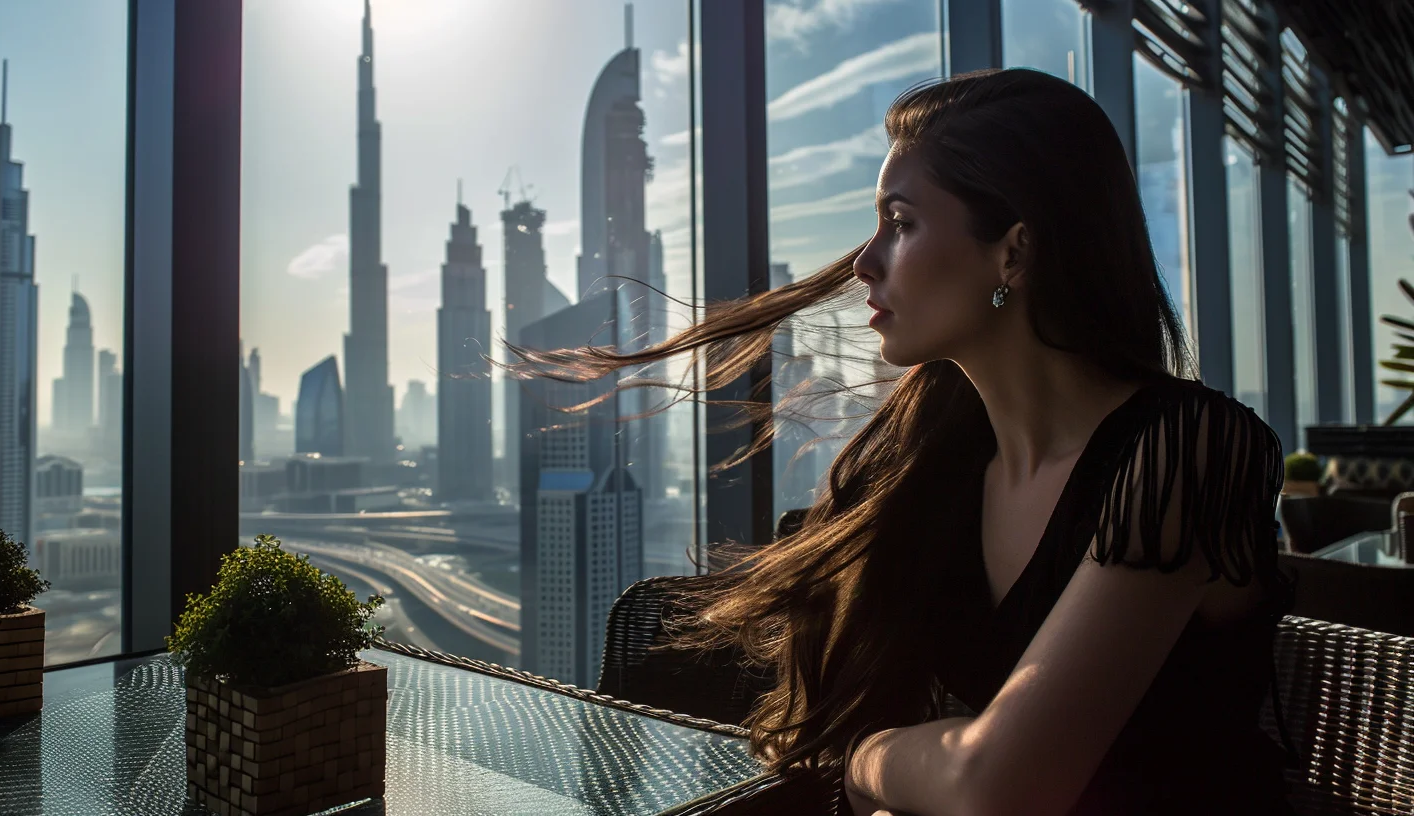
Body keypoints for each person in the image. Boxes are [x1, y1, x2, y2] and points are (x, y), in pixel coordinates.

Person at [507, 68, 1297, 815]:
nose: (864, 262)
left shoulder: (1190, 448)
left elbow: (999, 789)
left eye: (901, 222)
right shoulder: (939, 459)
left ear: (1013, 252)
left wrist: (859, 757)